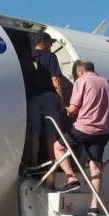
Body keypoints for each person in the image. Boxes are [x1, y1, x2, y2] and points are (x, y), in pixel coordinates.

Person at [54, 61, 109, 216]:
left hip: (83, 129)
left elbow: (73, 110)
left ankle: (71, 178)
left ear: (80, 71)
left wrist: (65, 108)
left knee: (58, 147)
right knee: (96, 167)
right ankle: (94, 207)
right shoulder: (107, 83)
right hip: (102, 132)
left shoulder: (82, 81)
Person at [25, 32, 64, 172]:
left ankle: (34, 162)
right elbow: (56, 79)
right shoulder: (50, 56)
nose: (51, 45)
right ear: (42, 41)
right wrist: (61, 99)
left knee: (34, 132)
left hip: (31, 98)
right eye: (49, 42)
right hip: (48, 96)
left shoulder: (27, 58)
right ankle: (54, 163)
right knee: (51, 133)